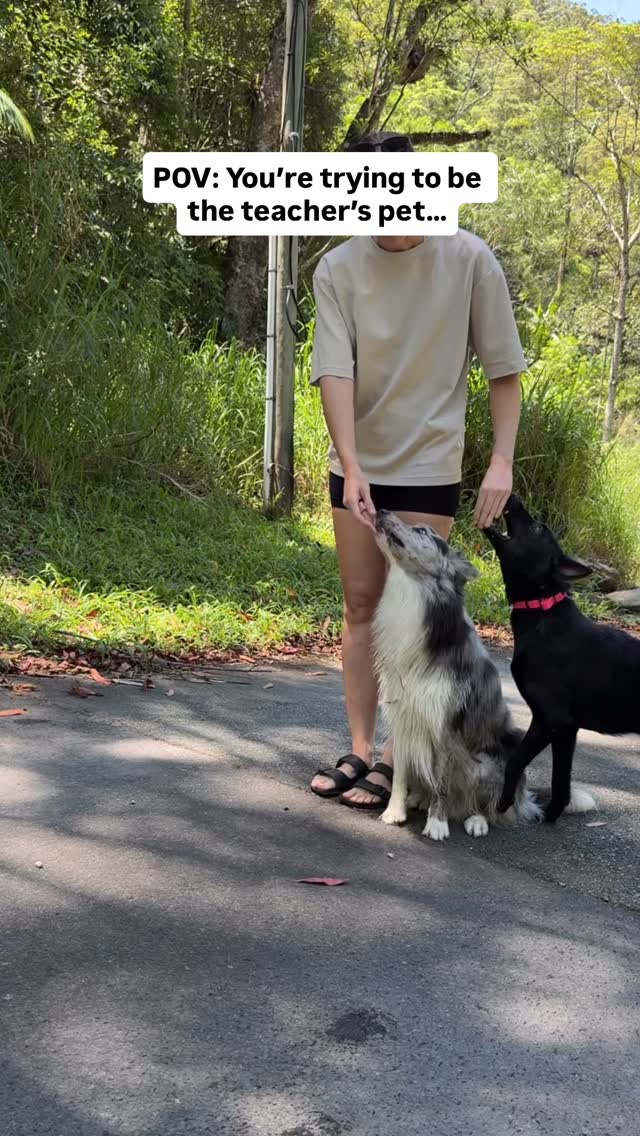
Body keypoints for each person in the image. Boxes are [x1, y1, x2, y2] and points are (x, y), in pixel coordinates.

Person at [309, 130, 526, 810]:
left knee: (417, 616)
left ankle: (398, 760)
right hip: (359, 461)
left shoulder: (468, 258)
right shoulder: (338, 268)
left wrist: (500, 461)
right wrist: (351, 464)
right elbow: (334, 371)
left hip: (430, 462)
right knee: (360, 605)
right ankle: (360, 747)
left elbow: (504, 370)